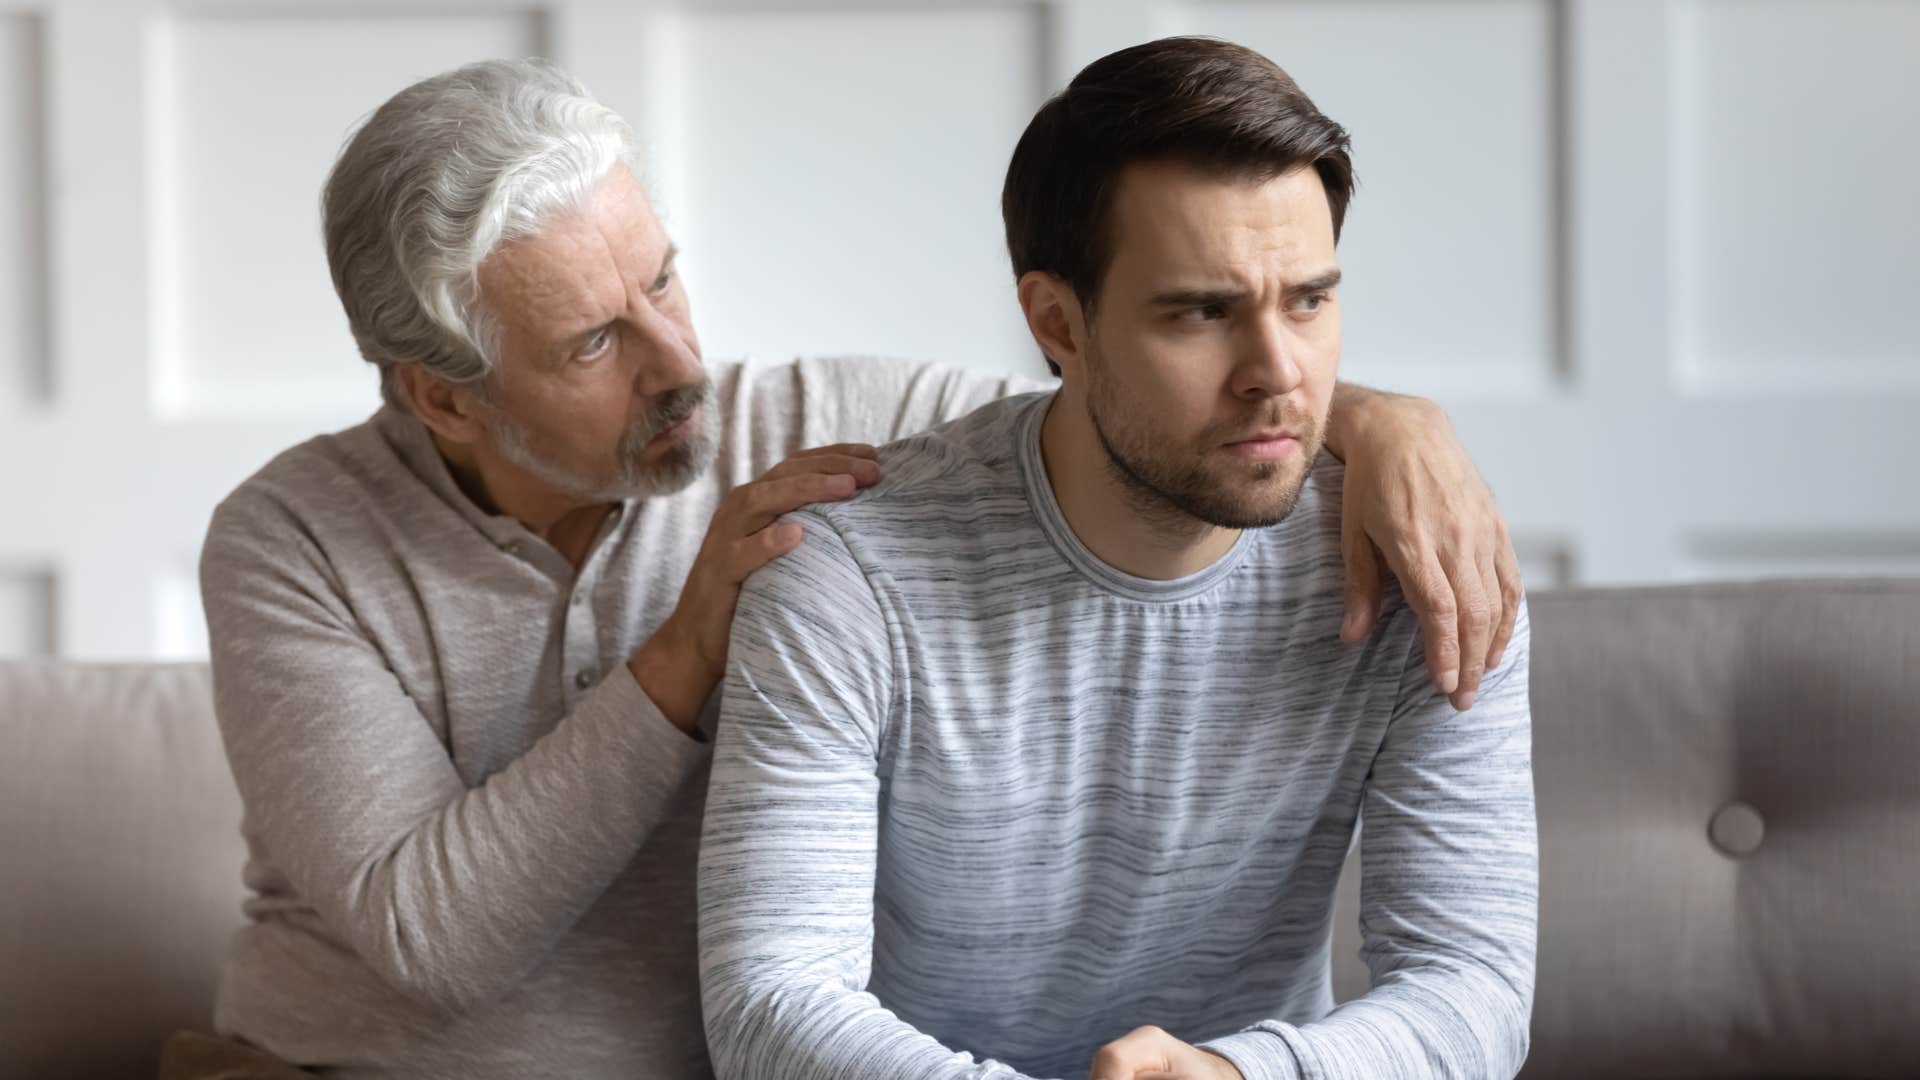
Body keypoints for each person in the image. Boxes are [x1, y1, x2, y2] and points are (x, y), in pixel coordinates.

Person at [185, 57, 1519, 1079]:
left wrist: (1393, 426)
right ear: (446, 398)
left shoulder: (822, 429)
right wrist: (687, 645)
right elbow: (438, 942)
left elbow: (1128, 398)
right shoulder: (291, 541)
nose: (677, 362)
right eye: (597, 342)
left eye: (666, 282)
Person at [698, 37, 1536, 1080]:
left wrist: (1243, 1077)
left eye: (1310, 300)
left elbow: (1475, 989)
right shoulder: (846, 578)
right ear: (1058, 322)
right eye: (1202, 312)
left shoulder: (1424, 557)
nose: (1278, 374)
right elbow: (769, 1001)